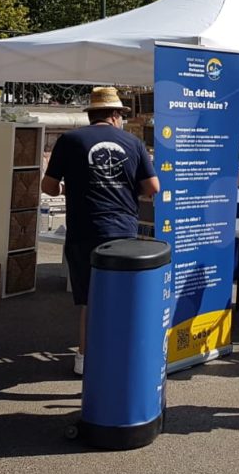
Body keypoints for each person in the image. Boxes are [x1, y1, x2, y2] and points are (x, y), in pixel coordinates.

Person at [42, 86, 158, 376]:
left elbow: (48, 186)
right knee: (121, 296)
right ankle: (120, 355)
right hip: (123, 230)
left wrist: (66, 188)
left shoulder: (69, 140)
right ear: (116, 115)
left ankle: (84, 359)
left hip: (84, 229)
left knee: (90, 299)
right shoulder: (133, 143)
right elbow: (152, 188)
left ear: (91, 114)